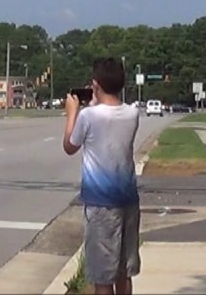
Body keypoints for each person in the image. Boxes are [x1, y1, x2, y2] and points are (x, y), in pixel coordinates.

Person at [63, 58, 141, 295]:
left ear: (95, 85)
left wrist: (72, 113)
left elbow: (69, 146)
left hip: (100, 205)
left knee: (102, 277)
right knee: (123, 273)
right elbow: (110, 119)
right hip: (128, 201)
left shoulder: (88, 116)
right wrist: (97, 101)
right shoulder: (132, 114)